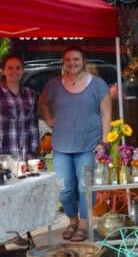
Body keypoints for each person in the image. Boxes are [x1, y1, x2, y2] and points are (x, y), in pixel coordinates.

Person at [39, 46, 112, 242]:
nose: (72, 63)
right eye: (68, 60)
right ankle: (71, 220)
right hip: (61, 145)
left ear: (84, 61)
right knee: (64, 189)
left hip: (89, 144)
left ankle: (83, 224)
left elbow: (106, 114)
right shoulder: (54, 84)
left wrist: (104, 142)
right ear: (64, 62)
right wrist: (48, 118)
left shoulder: (97, 84)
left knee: (84, 187)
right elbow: (43, 102)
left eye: (76, 59)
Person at [0, 54, 40, 159]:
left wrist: (32, 151)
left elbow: (33, 126)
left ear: (23, 70)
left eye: (18, 68)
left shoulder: (30, 94)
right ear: (2, 71)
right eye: (10, 68)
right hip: (2, 155)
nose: (14, 71)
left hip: (24, 156)